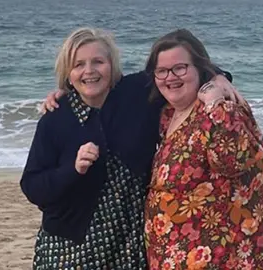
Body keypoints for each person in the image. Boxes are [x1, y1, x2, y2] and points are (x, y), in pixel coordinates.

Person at [21, 27, 238, 270]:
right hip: (69, 248)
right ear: (67, 74)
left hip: (131, 248)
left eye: (98, 62)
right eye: (78, 65)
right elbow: (32, 187)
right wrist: (72, 169)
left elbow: (180, 72)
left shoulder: (138, 92)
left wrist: (218, 78)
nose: (89, 71)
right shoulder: (55, 118)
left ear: (112, 65)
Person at [143, 29, 263, 269]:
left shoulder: (222, 108)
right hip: (178, 256)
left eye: (180, 68)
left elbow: (234, 162)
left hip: (229, 257)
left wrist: (214, 102)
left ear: (201, 69)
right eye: (162, 71)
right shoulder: (168, 115)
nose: (170, 77)